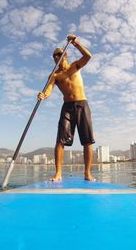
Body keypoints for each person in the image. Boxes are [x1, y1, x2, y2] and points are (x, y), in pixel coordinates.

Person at [37, 34, 95, 181]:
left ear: (65, 55)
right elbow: (48, 90)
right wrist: (43, 95)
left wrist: (76, 43)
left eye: (59, 54)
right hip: (67, 107)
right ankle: (58, 174)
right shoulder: (55, 75)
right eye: (54, 56)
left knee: (87, 140)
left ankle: (87, 173)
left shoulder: (75, 66)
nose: (56, 57)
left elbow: (88, 56)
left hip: (82, 104)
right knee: (60, 141)